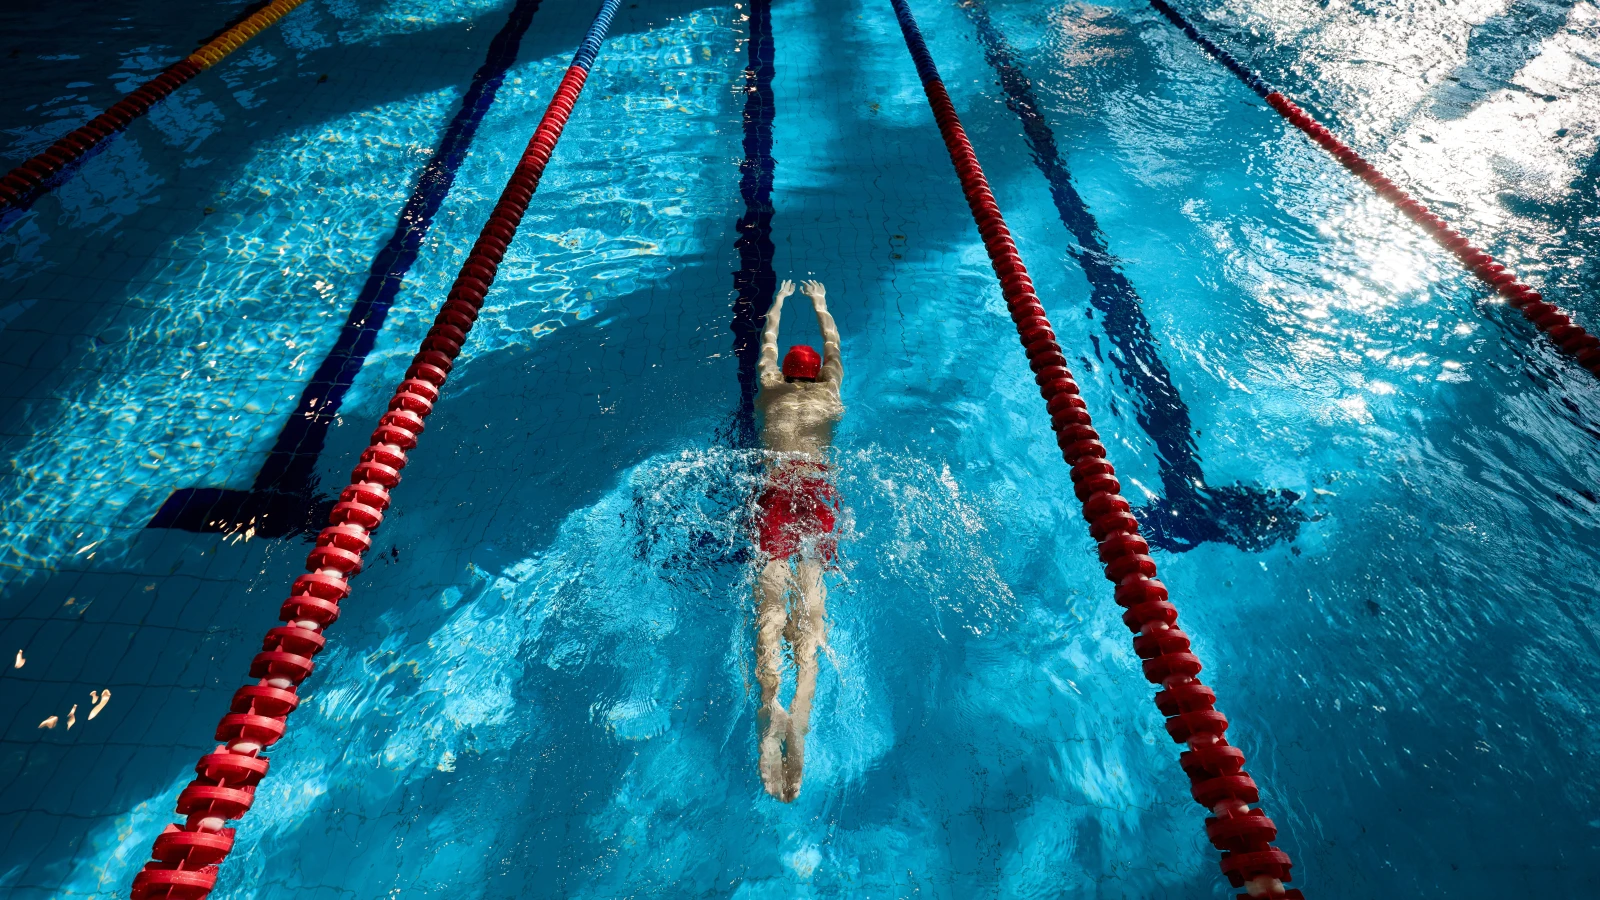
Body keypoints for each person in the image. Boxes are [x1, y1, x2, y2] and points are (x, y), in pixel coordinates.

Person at [753, 278, 843, 802]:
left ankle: (771, 705)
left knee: (770, 608)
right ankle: (802, 711)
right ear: (819, 376)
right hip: (817, 493)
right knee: (811, 609)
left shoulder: (770, 388)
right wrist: (820, 305)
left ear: (786, 373)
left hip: (776, 493)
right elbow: (834, 347)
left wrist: (778, 303)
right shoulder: (830, 393)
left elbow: (767, 343)